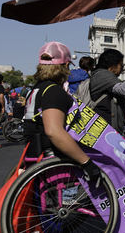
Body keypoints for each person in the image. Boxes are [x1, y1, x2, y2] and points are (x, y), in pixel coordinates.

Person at [22, 41, 100, 182]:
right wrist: (86, 162)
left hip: (33, 151)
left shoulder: (36, 88)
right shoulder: (53, 91)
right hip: (50, 156)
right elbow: (54, 132)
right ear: (64, 65)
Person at [89, 49, 125, 135]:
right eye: (121, 65)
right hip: (103, 129)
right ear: (112, 66)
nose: (122, 68)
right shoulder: (103, 75)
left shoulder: (100, 75)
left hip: (104, 127)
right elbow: (122, 90)